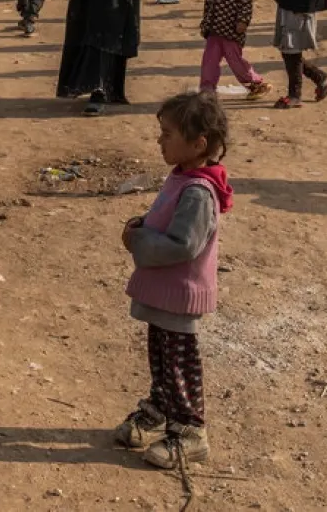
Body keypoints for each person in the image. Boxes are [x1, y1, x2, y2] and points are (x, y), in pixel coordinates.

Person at [115, 91, 233, 470]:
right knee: (162, 358)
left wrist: (139, 239)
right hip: (166, 292)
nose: (160, 140)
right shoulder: (183, 177)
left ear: (198, 144)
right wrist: (143, 224)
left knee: (181, 366)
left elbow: (183, 245)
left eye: (167, 134)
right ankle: (159, 410)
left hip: (179, 292)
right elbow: (164, 219)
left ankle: (190, 432)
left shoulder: (199, 191)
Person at [199, 0, 269, 98]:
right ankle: (207, 90)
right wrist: (205, 24)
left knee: (236, 63)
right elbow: (208, 5)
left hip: (231, 32)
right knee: (209, 61)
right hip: (214, 31)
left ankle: (256, 83)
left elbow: (245, 4)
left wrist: (242, 22)